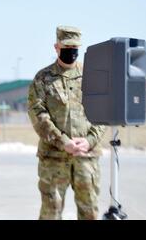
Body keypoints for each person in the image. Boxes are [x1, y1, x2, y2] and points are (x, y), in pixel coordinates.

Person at [27, 26, 106, 220]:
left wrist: (89, 140)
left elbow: (102, 112)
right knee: (50, 213)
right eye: (66, 46)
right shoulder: (43, 78)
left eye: (75, 47)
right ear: (56, 47)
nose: (71, 51)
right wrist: (63, 142)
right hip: (54, 158)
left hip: (86, 157)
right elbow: (38, 114)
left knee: (90, 212)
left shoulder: (92, 77)